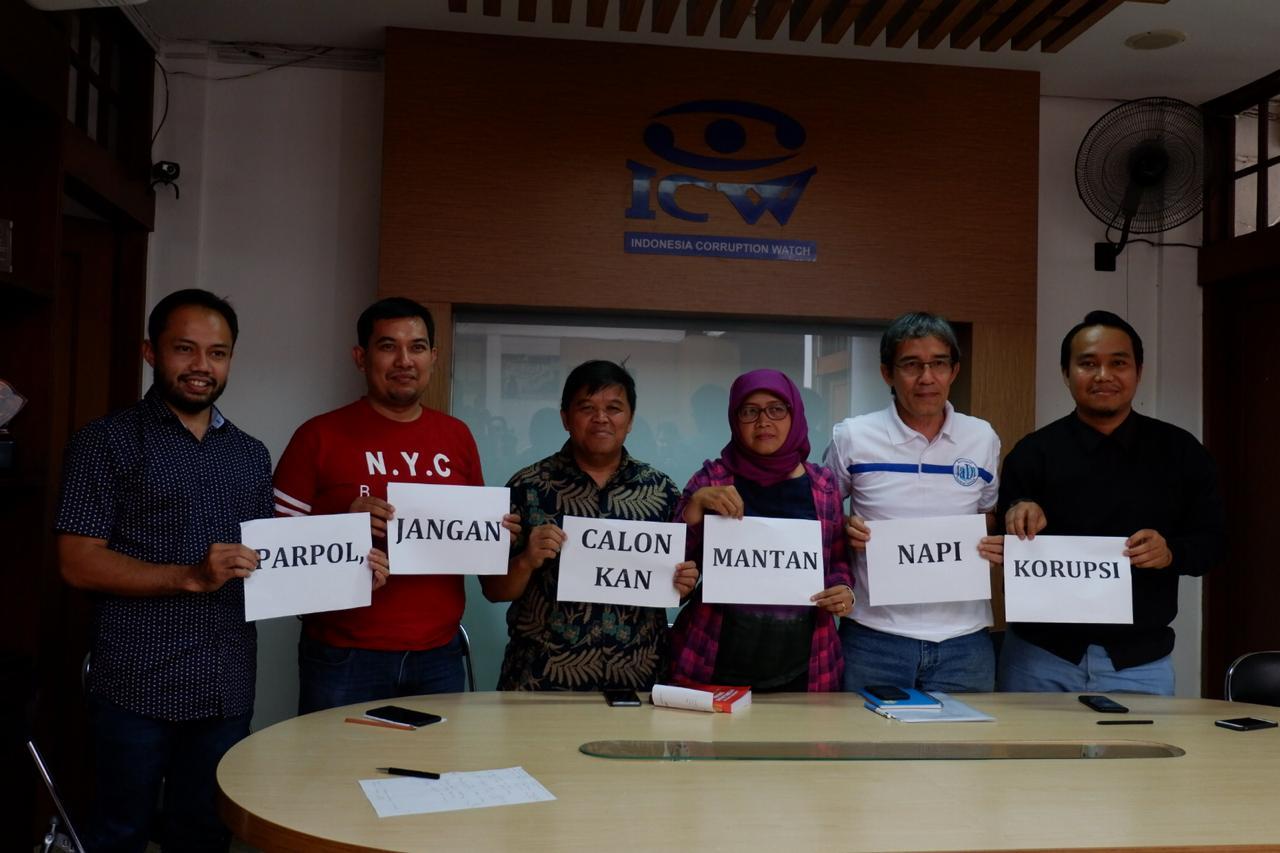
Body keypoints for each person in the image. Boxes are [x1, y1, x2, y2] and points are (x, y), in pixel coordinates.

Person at [55, 289, 272, 852]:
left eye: (217, 353)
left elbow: (268, 561)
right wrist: (188, 576)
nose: (202, 366)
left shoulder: (250, 454)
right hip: (136, 685)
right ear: (150, 351)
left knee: (204, 836)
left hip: (226, 687)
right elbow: (77, 561)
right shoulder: (105, 441)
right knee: (119, 835)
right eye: (185, 349)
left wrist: (350, 561)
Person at [273, 297, 517, 712]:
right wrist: (343, 525)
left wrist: (497, 538)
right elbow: (273, 558)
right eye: (388, 346)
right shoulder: (318, 436)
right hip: (344, 656)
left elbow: (471, 541)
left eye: (417, 347)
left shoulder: (456, 436)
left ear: (433, 357)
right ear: (360, 357)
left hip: (438, 654)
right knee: (333, 758)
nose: (404, 360)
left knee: (437, 757)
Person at [998, 310, 1225, 695]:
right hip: (1039, 658)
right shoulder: (1032, 453)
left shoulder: (1181, 452)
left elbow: (1213, 543)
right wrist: (1016, 511)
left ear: (1139, 371)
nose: (1103, 375)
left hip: (1142, 662)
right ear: (1066, 373)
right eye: (1088, 364)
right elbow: (1000, 538)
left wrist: (1170, 552)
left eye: (1118, 363)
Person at [485, 360, 699, 690]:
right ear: (565, 418)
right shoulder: (527, 487)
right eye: (587, 408)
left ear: (630, 420)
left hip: (637, 682)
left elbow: (674, 586)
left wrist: (683, 586)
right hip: (541, 680)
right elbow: (494, 590)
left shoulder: (661, 491)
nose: (601, 418)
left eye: (614, 408)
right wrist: (527, 559)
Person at [823, 312, 1004, 694]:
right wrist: (845, 528)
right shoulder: (853, 436)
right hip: (873, 637)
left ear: (954, 371)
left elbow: (988, 514)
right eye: (911, 365)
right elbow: (821, 516)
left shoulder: (982, 438)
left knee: (966, 736)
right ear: (887, 373)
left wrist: (991, 538)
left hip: (965, 641)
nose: (926, 377)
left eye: (938, 364)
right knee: (861, 735)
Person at [668, 369, 854, 692]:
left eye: (776, 409)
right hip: (714, 658)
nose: (763, 421)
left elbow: (837, 559)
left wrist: (843, 590)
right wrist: (695, 507)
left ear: (794, 416)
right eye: (750, 411)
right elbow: (671, 567)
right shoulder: (712, 480)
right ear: (734, 418)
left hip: (806, 665)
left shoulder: (823, 485)